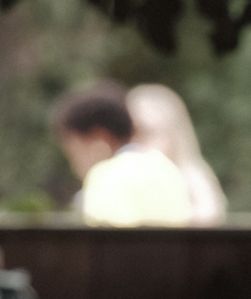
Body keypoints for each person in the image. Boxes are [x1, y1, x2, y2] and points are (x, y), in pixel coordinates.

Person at [50, 85, 190, 225]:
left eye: (72, 152)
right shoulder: (165, 167)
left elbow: (108, 242)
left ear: (99, 140)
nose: (73, 166)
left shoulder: (104, 177)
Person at [126, 84, 228, 224]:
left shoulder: (195, 183)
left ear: (174, 135)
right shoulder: (109, 180)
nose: (136, 142)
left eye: (147, 132)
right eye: (128, 133)